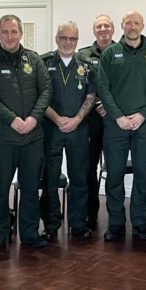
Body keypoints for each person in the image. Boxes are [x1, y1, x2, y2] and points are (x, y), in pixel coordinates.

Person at [0, 15, 52, 253]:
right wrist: (12, 119)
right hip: (2, 139)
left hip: (32, 137)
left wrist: (32, 118)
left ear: (21, 33)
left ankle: (30, 234)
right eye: (5, 32)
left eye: (14, 32)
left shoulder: (34, 59)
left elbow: (46, 90)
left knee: (30, 188)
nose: (9, 36)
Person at [97, 10, 146, 242]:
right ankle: (115, 223)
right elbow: (103, 88)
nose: (132, 26)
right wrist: (118, 116)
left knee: (141, 174)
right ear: (122, 26)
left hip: (143, 125)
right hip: (116, 125)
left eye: (136, 23)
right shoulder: (110, 53)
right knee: (114, 174)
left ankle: (139, 221)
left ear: (143, 25)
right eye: (128, 23)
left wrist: (143, 115)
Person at [40, 21, 96, 241]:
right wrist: (57, 118)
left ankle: (78, 223)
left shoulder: (88, 64)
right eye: (63, 38)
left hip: (78, 130)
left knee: (79, 178)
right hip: (51, 129)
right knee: (50, 179)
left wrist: (76, 119)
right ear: (57, 39)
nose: (67, 42)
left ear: (77, 40)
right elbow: (39, 97)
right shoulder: (43, 62)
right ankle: (51, 224)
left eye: (72, 39)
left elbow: (91, 96)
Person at [78, 14, 115, 230]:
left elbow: (124, 87)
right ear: (94, 31)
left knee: (114, 169)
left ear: (113, 29)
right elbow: (81, 87)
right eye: (99, 26)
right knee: (88, 169)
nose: (103, 29)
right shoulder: (82, 55)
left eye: (106, 25)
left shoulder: (122, 52)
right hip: (90, 121)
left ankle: (115, 217)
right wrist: (98, 105)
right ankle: (89, 215)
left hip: (114, 121)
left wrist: (109, 108)